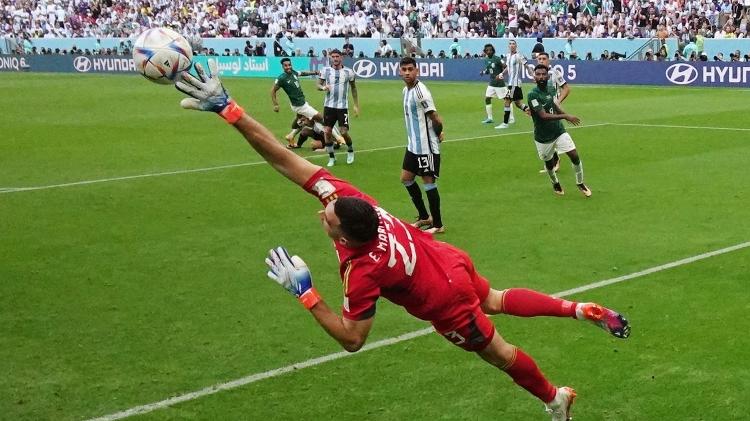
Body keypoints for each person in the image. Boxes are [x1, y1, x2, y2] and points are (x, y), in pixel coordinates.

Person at [174, 59, 631, 421]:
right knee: (494, 297)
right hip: (448, 260)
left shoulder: (361, 268)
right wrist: (231, 111)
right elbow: (283, 160)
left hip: (445, 301)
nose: (322, 210)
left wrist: (307, 293)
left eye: (327, 218)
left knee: (503, 355)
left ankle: (556, 400)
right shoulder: (356, 202)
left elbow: (353, 339)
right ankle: (577, 308)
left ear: (345, 235)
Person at [528, 64, 591, 197]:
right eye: (538, 74)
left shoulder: (551, 89)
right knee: (549, 164)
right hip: (543, 137)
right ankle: (555, 182)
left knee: (574, 154)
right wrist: (566, 116)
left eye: (543, 74)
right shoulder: (532, 95)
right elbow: (543, 116)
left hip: (558, 131)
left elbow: (554, 107)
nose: (541, 77)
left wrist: (564, 115)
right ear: (534, 76)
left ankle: (580, 183)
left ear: (547, 75)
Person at [399, 57, 446, 234]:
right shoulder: (406, 91)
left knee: (428, 182)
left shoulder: (421, 92)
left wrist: (439, 132)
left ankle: (438, 224)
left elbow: (435, 117)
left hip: (426, 146)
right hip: (413, 145)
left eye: (410, 69)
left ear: (417, 70)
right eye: (404, 69)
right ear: (400, 71)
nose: (407, 73)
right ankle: (425, 216)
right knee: (406, 178)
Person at [317, 49, 359, 167]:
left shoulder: (348, 72)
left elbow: (354, 88)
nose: (335, 59)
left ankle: (350, 150)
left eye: (337, 56)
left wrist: (356, 105)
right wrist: (323, 87)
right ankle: (332, 157)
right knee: (327, 131)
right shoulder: (325, 70)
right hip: (329, 106)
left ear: (341, 58)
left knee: (343, 132)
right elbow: (318, 85)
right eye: (333, 56)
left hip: (342, 107)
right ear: (330, 57)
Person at [271, 58, 325, 147]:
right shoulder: (281, 78)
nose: (288, 67)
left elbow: (303, 73)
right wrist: (276, 104)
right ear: (282, 67)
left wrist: (315, 72)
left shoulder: (293, 72)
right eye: (286, 65)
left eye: (289, 65)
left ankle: (291, 135)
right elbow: (273, 91)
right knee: (320, 118)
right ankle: (337, 138)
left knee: (301, 121)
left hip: (300, 103)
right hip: (300, 105)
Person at [535, 52, 571, 174]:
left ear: (548, 60)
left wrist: (558, 101)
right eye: (539, 59)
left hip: (553, 110)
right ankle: (554, 160)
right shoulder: (538, 75)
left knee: (554, 133)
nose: (541, 61)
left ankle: (556, 161)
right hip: (541, 110)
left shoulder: (554, 72)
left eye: (544, 59)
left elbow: (566, 88)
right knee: (546, 134)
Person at [496, 40, 531, 130]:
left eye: (513, 44)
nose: (512, 45)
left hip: (515, 83)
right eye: (510, 44)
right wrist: (502, 74)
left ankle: (505, 123)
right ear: (508, 46)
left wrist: (533, 75)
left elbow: (527, 66)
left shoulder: (519, 56)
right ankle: (534, 113)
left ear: (516, 46)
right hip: (511, 83)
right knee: (518, 104)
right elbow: (508, 67)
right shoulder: (508, 56)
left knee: (507, 101)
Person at [480, 43, 508, 125]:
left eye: (490, 50)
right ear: (485, 51)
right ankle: (490, 118)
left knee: (507, 100)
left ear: (493, 51)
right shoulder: (486, 59)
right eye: (487, 50)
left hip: (499, 84)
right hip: (492, 83)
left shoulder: (497, 59)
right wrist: (483, 72)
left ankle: (511, 117)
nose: (489, 51)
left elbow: (506, 66)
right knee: (487, 98)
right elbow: (489, 70)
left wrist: (501, 74)